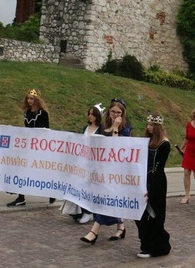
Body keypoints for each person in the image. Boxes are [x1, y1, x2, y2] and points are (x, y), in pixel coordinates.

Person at [80, 100, 132, 244]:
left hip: (117, 170)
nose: (115, 114)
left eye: (119, 112)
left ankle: (93, 232)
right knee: (104, 199)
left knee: (107, 200)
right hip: (102, 169)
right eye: (113, 111)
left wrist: (116, 127)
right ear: (109, 111)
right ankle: (121, 227)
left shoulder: (125, 128)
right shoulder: (103, 126)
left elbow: (118, 148)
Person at [135, 113, 171, 258]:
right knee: (140, 215)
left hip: (156, 182)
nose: (149, 128)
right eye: (148, 125)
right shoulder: (146, 141)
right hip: (143, 179)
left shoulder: (164, 144)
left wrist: (150, 187)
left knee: (154, 215)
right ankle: (145, 243)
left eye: (152, 125)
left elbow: (156, 168)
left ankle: (157, 246)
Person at [8, 88, 51, 207]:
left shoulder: (43, 113)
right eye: (28, 98)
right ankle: (21, 197)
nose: (29, 100)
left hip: (38, 147)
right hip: (27, 146)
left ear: (37, 100)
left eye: (32, 98)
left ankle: (51, 192)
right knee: (22, 170)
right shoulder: (27, 112)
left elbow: (46, 131)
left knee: (41, 171)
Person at [62, 105, 104, 223]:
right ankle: (78, 210)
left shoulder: (101, 129)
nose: (90, 116)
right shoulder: (86, 127)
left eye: (92, 114)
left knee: (88, 187)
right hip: (82, 161)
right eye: (89, 114)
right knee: (79, 185)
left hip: (93, 162)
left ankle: (88, 212)